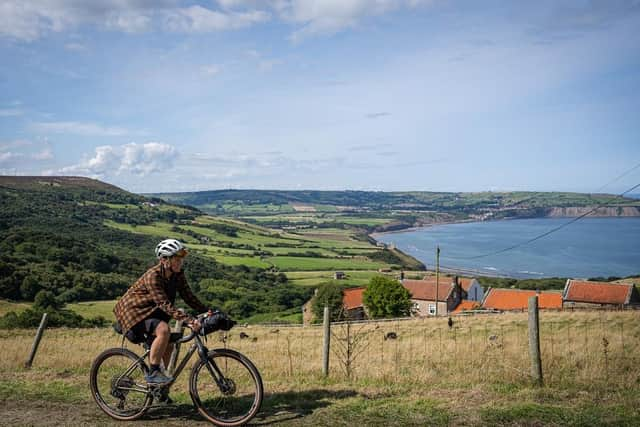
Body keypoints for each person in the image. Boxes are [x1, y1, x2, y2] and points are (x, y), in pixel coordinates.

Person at [113, 238, 208, 385]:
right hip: (134, 315)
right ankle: (153, 373)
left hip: (151, 314)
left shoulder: (177, 274)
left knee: (169, 344)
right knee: (163, 330)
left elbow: (188, 296)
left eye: (181, 259)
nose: (180, 263)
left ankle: (160, 387)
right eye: (177, 259)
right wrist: (189, 320)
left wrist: (207, 310)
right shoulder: (153, 275)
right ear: (164, 260)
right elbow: (163, 303)